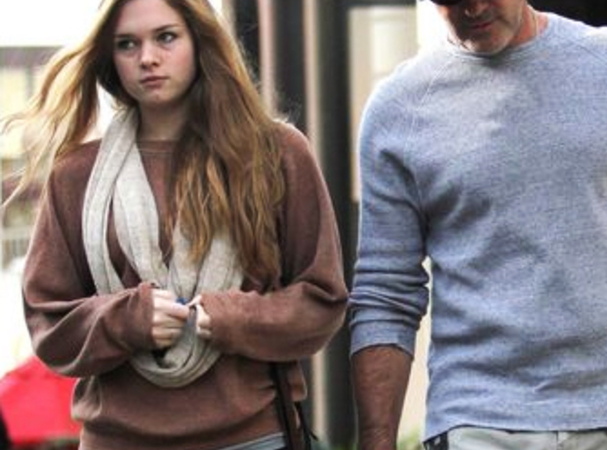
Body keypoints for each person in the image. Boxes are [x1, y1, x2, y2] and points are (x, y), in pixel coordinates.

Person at [347, 1, 607, 450]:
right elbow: (385, 293)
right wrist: (376, 441)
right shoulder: (398, 110)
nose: (475, 8)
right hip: (480, 422)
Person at [1, 0, 348, 449]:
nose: (147, 58)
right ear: (110, 57)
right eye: (127, 44)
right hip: (120, 440)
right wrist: (128, 320)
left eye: (166, 37)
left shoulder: (275, 153)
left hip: (252, 437)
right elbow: (49, 324)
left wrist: (232, 316)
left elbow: (322, 300)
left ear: (199, 41)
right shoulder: (76, 175)